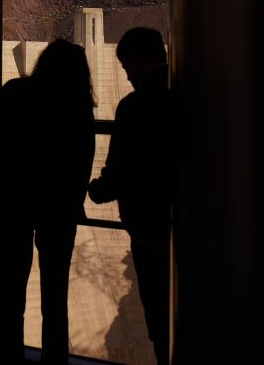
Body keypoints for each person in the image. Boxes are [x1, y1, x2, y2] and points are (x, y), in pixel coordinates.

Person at [0, 39, 96, 365]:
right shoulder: (77, 106)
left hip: (12, 207)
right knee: (55, 299)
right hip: (58, 211)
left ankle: (8, 356)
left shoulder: (14, 92)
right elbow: (82, 162)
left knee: (10, 294)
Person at [88, 27, 173, 365]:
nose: (126, 75)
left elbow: (121, 172)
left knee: (161, 323)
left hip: (151, 234)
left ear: (136, 60)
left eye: (126, 67)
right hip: (198, 234)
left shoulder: (135, 107)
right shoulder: (192, 95)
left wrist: (96, 191)